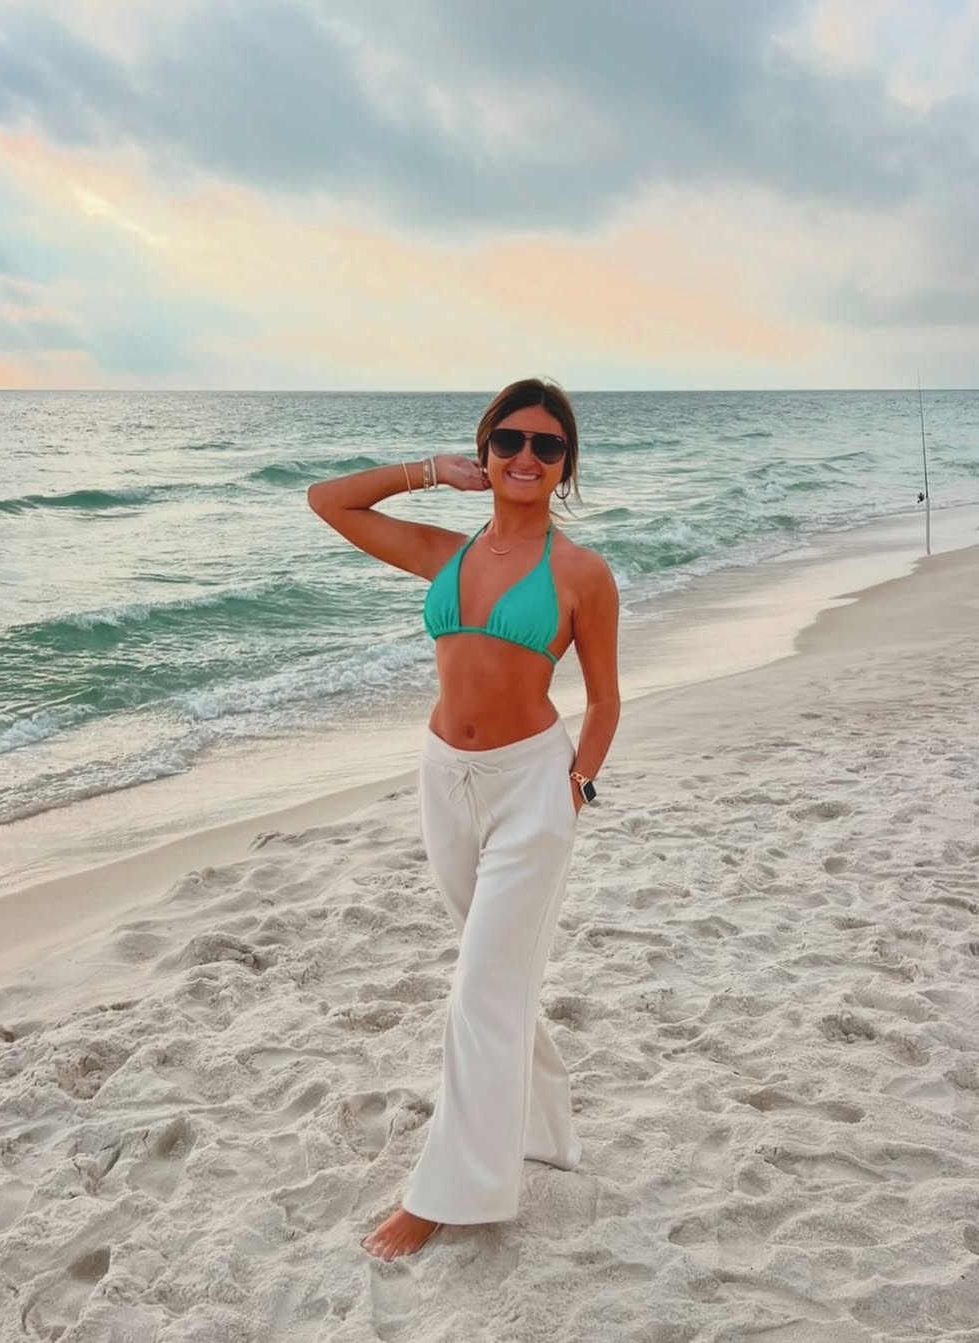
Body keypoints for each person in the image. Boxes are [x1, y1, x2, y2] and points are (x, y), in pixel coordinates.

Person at [306, 377, 621, 1261]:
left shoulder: (582, 574)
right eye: (509, 440)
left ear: (565, 466)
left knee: (481, 985)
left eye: (548, 445)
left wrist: (576, 786)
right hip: (444, 777)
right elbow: (328, 500)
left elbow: (604, 701)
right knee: (498, 975)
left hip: (532, 787)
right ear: (484, 451)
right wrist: (427, 470)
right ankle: (544, 1132)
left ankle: (447, 1193)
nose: (527, 456)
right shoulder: (444, 554)